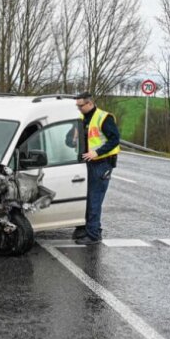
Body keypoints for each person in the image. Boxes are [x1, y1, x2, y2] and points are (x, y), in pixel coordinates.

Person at [71, 92, 120, 245]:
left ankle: (93, 235)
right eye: (77, 106)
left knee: (94, 199)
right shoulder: (81, 119)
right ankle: (86, 228)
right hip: (87, 163)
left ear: (90, 103)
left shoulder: (104, 118)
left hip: (101, 163)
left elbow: (115, 140)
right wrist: (72, 138)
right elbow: (69, 140)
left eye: (81, 105)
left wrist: (97, 152)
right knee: (86, 197)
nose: (79, 108)